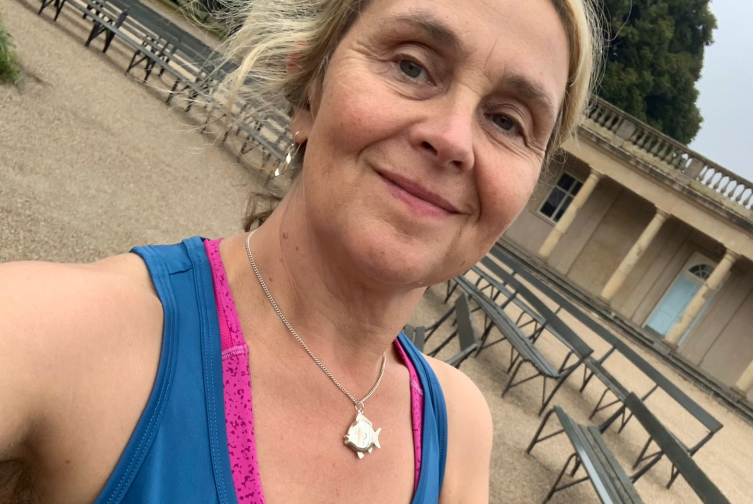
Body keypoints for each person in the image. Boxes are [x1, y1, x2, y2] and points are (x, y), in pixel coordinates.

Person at [0, 0, 600, 501]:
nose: (451, 140)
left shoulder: (458, 429)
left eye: (508, 121)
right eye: (413, 66)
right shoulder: (71, 333)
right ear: (309, 92)